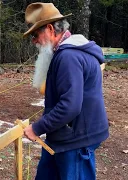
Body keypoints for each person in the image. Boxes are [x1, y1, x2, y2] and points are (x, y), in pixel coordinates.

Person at [22, 2, 109, 180]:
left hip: (75, 142)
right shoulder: (68, 52)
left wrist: (38, 127)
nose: (34, 41)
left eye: (36, 35)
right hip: (63, 138)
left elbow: (70, 106)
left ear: (50, 29)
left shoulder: (69, 57)